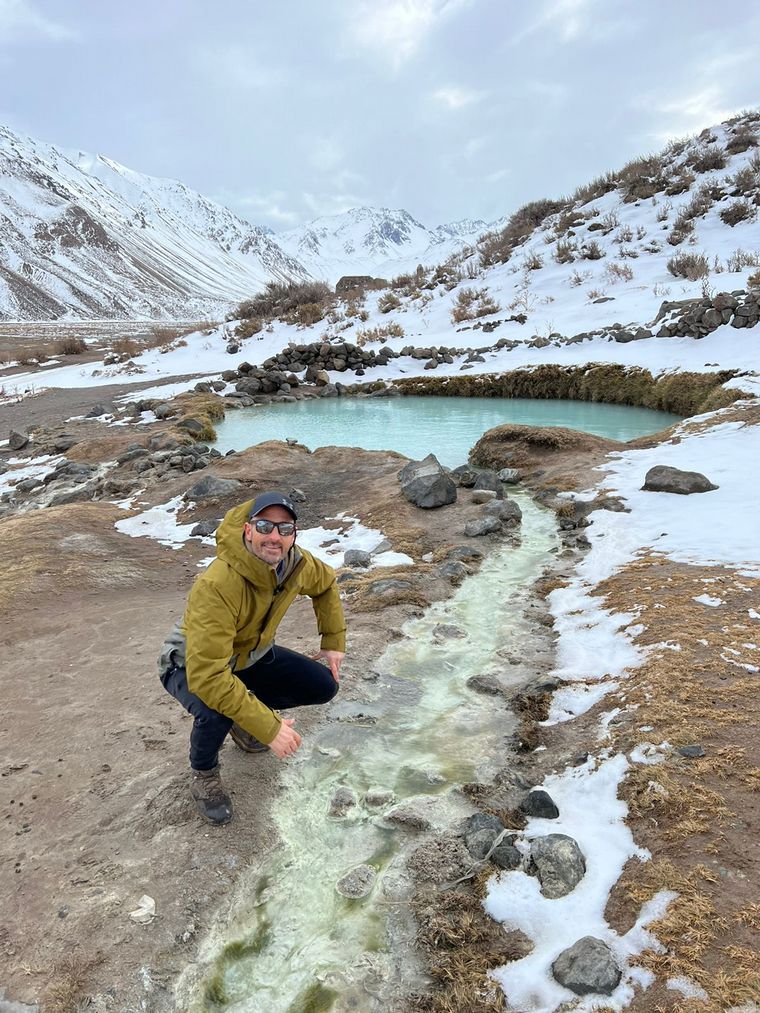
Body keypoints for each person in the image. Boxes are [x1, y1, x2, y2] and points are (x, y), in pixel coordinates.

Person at [158, 491, 346, 825]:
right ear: (248, 530)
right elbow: (208, 677)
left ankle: (243, 720)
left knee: (323, 686)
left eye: (284, 528)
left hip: (248, 656)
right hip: (190, 664)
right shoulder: (217, 584)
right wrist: (269, 726)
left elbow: (326, 583)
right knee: (216, 712)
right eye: (265, 525)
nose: (275, 536)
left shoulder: (295, 564)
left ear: (293, 535)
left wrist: (332, 640)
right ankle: (204, 775)